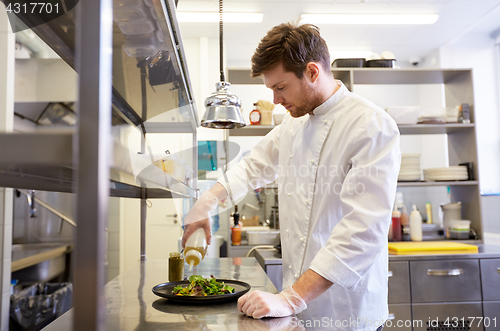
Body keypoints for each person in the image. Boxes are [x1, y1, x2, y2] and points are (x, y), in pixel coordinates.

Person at [182, 22, 401, 331]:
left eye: (280, 87)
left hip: (347, 313)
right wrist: (205, 203)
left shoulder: (371, 125)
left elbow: (363, 231)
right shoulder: (293, 124)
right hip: (295, 311)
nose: (275, 99)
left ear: (312, 72)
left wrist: (291, 299)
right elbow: (252, 166)